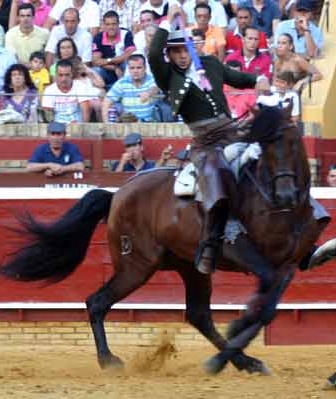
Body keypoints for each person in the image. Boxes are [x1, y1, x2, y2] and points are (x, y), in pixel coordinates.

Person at [149, 7, 270, 274]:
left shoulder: (212, 65)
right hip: (206, 143)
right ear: (169, 55)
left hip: (233, 132)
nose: (181, 56)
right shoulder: (168, 76)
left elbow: (239, 78)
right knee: (216, 181)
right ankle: (210, 243)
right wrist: (167, 23)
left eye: (184, 50)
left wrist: (259, 79)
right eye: (175, 52)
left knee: (274, 162)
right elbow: (152, 54)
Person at [102, 54, 160, 122]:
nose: (135, 71)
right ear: (128, 69)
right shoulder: (122, 83)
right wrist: (107, 126)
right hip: (129, 124)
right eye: (132, 68)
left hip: (150, 124)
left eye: (139, 67)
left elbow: (156, 88)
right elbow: (106, 103)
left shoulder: (152, 79)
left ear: (145, 68)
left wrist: (148, 93)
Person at [91, 11, 136, 87]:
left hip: (123, 69)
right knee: (96, 70)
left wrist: (108, 60)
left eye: (113, 24)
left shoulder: (126, 34)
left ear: (118, 24)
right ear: (103, 25)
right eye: (107, 24)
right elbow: (95, 61)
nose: (111, 27)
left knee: (128, 64)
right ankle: (104, 89)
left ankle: (127, 88)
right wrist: (115, 68)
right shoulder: (99, 37)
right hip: (108, 70)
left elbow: (129, 55)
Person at [42, 59, 91, 123]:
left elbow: (86, 110)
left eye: (67, 75)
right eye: (60, 75)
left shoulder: (80, 85)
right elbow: (48, 116)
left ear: (71, 74)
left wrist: (82, 128)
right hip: (58, 127)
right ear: (56, 75)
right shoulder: (49, 90)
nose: (64, 79)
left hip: (78, 124)